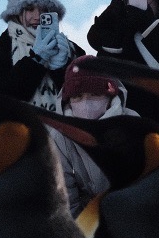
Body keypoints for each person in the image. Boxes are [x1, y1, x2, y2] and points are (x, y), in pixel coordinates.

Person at [0, 0, 82, 110]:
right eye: (30, 9)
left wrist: (61, 68)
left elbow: (84, 100)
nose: (37, 16)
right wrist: (35, 61)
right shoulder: (2, 51)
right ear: (17, 13)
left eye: (44, 9)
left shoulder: (71, 50)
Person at [48, 63, 116, 215]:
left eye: (95, 94)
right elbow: (65, 199)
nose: (86, 103)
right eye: (77, 96)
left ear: (109, 97)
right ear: (68, 100)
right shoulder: (59, 137)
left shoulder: (132, 126)